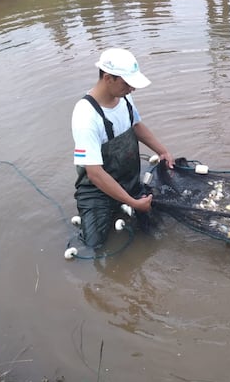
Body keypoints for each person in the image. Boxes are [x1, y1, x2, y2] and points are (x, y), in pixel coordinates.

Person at [71, 48, 174, 248]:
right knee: (94, 245)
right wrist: (134, 203)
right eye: (128, 83)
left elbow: (136, 125)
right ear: (108, 78)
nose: (132, 89)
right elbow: (95, 174)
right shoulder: (86, 115)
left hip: (129, 180)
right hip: (97, 190)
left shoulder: (124, 97)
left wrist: (162, 151)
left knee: (157, 228)